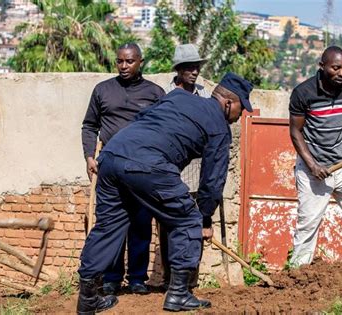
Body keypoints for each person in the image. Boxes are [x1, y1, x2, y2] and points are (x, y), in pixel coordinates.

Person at [76, 72, 254, 314]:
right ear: (229, 103)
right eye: (242, 110)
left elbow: (142, 118)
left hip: (112, 154)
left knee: (109, 225)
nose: (240, 116)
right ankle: (179, 294)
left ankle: (88, 298)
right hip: (148, 163)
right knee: (188, 218)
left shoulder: (177, 97)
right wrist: (204, 218)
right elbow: (212, 181)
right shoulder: (219, 127)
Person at [81, 43, 165, 295]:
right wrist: (88, 156)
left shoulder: (155, 92)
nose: (124, 66)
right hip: (109, 167)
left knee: (141, 223)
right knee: (111, 223)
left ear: (140, 62)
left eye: (129, 61)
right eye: (120, 61)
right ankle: (112, 278)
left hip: (142, 167)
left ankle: (138, 279)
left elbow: (163, 129)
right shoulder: (103, 90)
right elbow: (89, 125)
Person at [288, 46, 342, 267]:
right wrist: (312, 165)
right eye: (336, 68)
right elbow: (295, 132)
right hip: (314, 169)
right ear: (322, 66)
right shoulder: (303, 93)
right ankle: (298, 271)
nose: (341, 73)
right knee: (309, 222)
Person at [159, 43, 210, 290]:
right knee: (169, 228)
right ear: (178, 70)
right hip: (171, 172)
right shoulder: (165, 95)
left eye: (197, 67)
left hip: (197, 173)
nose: (194, 72)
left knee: (195, 227)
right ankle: (170, 278)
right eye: (189, 67)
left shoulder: (204, 94)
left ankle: (190, 279)